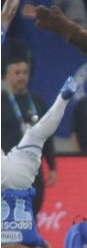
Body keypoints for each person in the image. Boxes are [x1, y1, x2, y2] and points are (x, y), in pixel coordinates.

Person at [2, 77, 77, 248]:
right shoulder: (32, 239)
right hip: (21, 172)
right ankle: (63, 98)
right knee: (38, 132)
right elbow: (45, 132)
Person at [1, 57, 56, 215]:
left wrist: (52, 166)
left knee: (31, 217)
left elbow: (47, 134)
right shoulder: (2, 101)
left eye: (25, 72)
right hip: (7, 172)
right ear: (7, 75)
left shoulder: (37, 101)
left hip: (34, 173)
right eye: (17, 73)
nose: (21, 77)